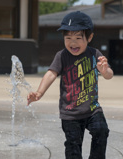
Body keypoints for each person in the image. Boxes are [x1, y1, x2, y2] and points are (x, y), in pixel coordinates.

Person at [27, 11, 113, 159]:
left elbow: (109, 74)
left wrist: (104, 71)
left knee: (101, 131)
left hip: (92, 109)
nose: (73, 43)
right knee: (73, 144)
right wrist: (39, 93)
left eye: (78, 38)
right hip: (70, 113)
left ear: (89, 37)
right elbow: (51, 74)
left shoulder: (95, 53)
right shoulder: (62, 56)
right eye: (68, 38)